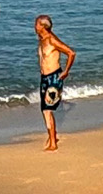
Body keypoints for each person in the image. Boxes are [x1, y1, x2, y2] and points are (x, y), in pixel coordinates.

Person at [34, 14, 76, 151]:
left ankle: (53, 142)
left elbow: (71, 53)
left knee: (47, 110)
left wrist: (66, 71)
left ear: (43, 27)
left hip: (54, 77)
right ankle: (52, 136)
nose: (35, 26)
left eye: (37, 24)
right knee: (44, 109)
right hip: (44, 78)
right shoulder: (41, 39)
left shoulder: (52, 40)